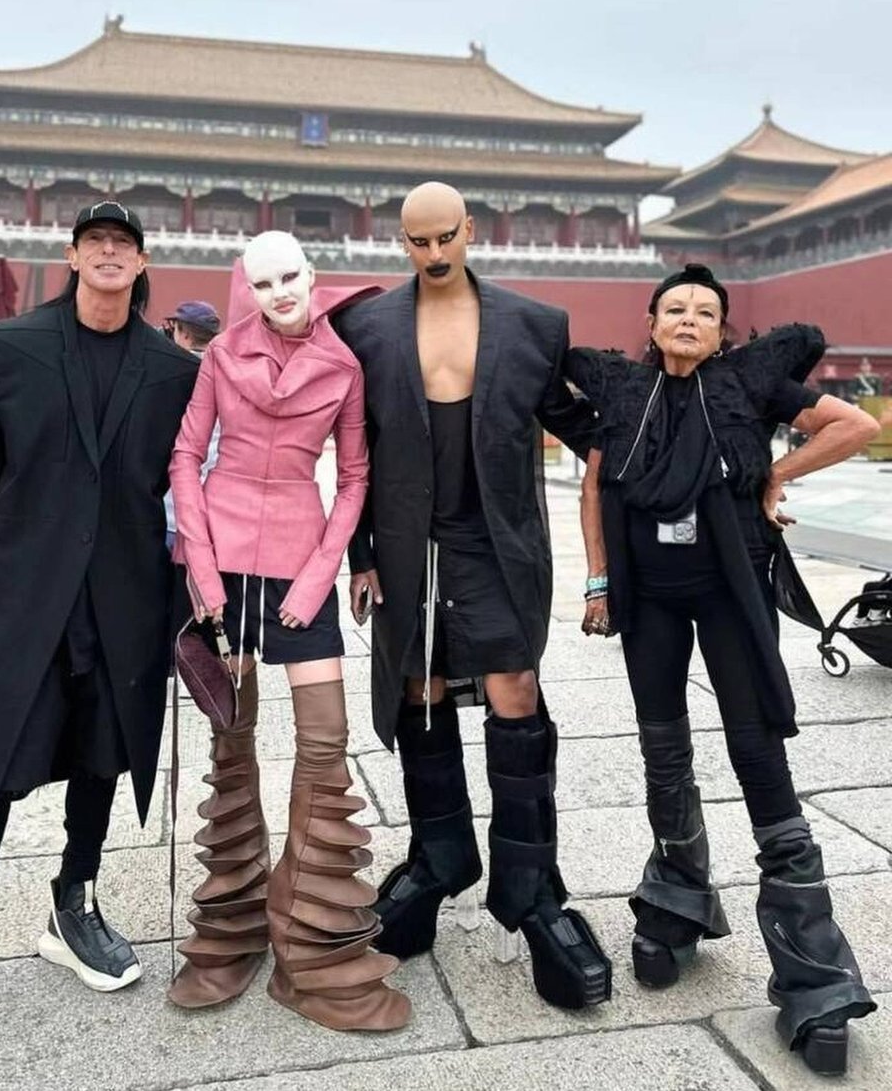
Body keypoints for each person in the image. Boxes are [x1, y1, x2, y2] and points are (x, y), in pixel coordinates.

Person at [567, 262, 878, 1076]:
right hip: (651, 599)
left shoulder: (749, 387)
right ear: (652, 319)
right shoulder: (624, 394)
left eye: (707, 311)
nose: (690, 319)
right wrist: (598, 582)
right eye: (676, 308)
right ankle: (675, 900)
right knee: (663, 746)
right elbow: (595, 489)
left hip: (731, 589)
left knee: (756, 755)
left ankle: (812, 973)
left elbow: (852, 425)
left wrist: (775, 474)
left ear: (722, 329)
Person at [0, 200, 199, 1066]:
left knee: (103, 752)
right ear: (72, 256)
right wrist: (29, 550)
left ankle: (73, 900)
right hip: (30, 597)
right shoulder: (4, 348)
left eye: (125, 244)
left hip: (124, 598)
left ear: (143, 264)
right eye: (96, 242)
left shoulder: (171, 369)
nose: (110, 254)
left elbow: (169, 480)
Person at [331, 181, 612, 1011]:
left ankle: (532, 889)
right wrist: (359, 554)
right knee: (420, 696)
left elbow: (598, 428)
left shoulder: (535, 324)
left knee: (514, 691)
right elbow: (353, 449)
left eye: (446, 236)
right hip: (407, 543)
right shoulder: (369, 326)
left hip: (495, 541)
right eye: (417, 242)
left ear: (471, 230)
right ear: (401, 244)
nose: (434, 253)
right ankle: (438, 860)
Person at [167, 230, 409, 1031]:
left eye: (290, 277)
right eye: (263, 280)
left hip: (301, 556)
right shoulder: (219, 356)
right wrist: (202, 574)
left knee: (326, 740)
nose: (279, 292)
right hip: (225, 563)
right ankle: (230, 929)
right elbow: (184, 459)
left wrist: (317, 578)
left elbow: (355, 479)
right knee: (232, 737)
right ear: (249, 285)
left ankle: (311, 947)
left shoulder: (344, 365)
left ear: (313, 278)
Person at [163, 300, 222, 551]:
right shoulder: (231, 376)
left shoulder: (165, 375)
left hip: (168, 513)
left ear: (184, 333)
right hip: (213, 516)